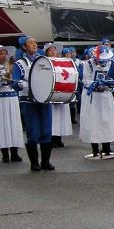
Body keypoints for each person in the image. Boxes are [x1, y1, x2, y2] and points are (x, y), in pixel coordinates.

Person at [12, 37, 54, 171]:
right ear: (24, 47)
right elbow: (15, 83)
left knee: (47, 130)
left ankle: (46, 162)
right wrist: (22, 84)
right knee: (33, 131)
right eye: (31, 43)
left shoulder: (44, 61)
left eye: (35, 42)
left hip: (45, 100)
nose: (35, 44)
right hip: (29, 101)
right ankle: (34, 163)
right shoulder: (19, 64)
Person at [79, 45, 114, 159]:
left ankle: (107, 148)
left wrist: (109, 86)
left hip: (105, 97)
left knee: (106, 121)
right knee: (93, 121)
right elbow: (85, 80)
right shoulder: (88, 64)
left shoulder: (111, 63)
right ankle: (95, 149)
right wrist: (95, 84)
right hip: (92, 98)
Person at [43, 44, 72, 148]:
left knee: (60, 116)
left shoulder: (61, 61)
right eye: (50, 50)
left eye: (54, 50)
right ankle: (50, 138)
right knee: (51, 116)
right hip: (50, 91)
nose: (53, 52)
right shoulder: (44, 62)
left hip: (61, 90)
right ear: (46, 52)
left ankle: (58, 137)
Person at [0, 45, 24, 163]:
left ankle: (14, 152)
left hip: (12, 98)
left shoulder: (13, 66)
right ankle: (4, 153)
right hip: (1, 100)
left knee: (14, 123)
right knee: (2, 125)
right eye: (1, 54)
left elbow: (17, 81)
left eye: (5, 54)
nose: (3, 56)